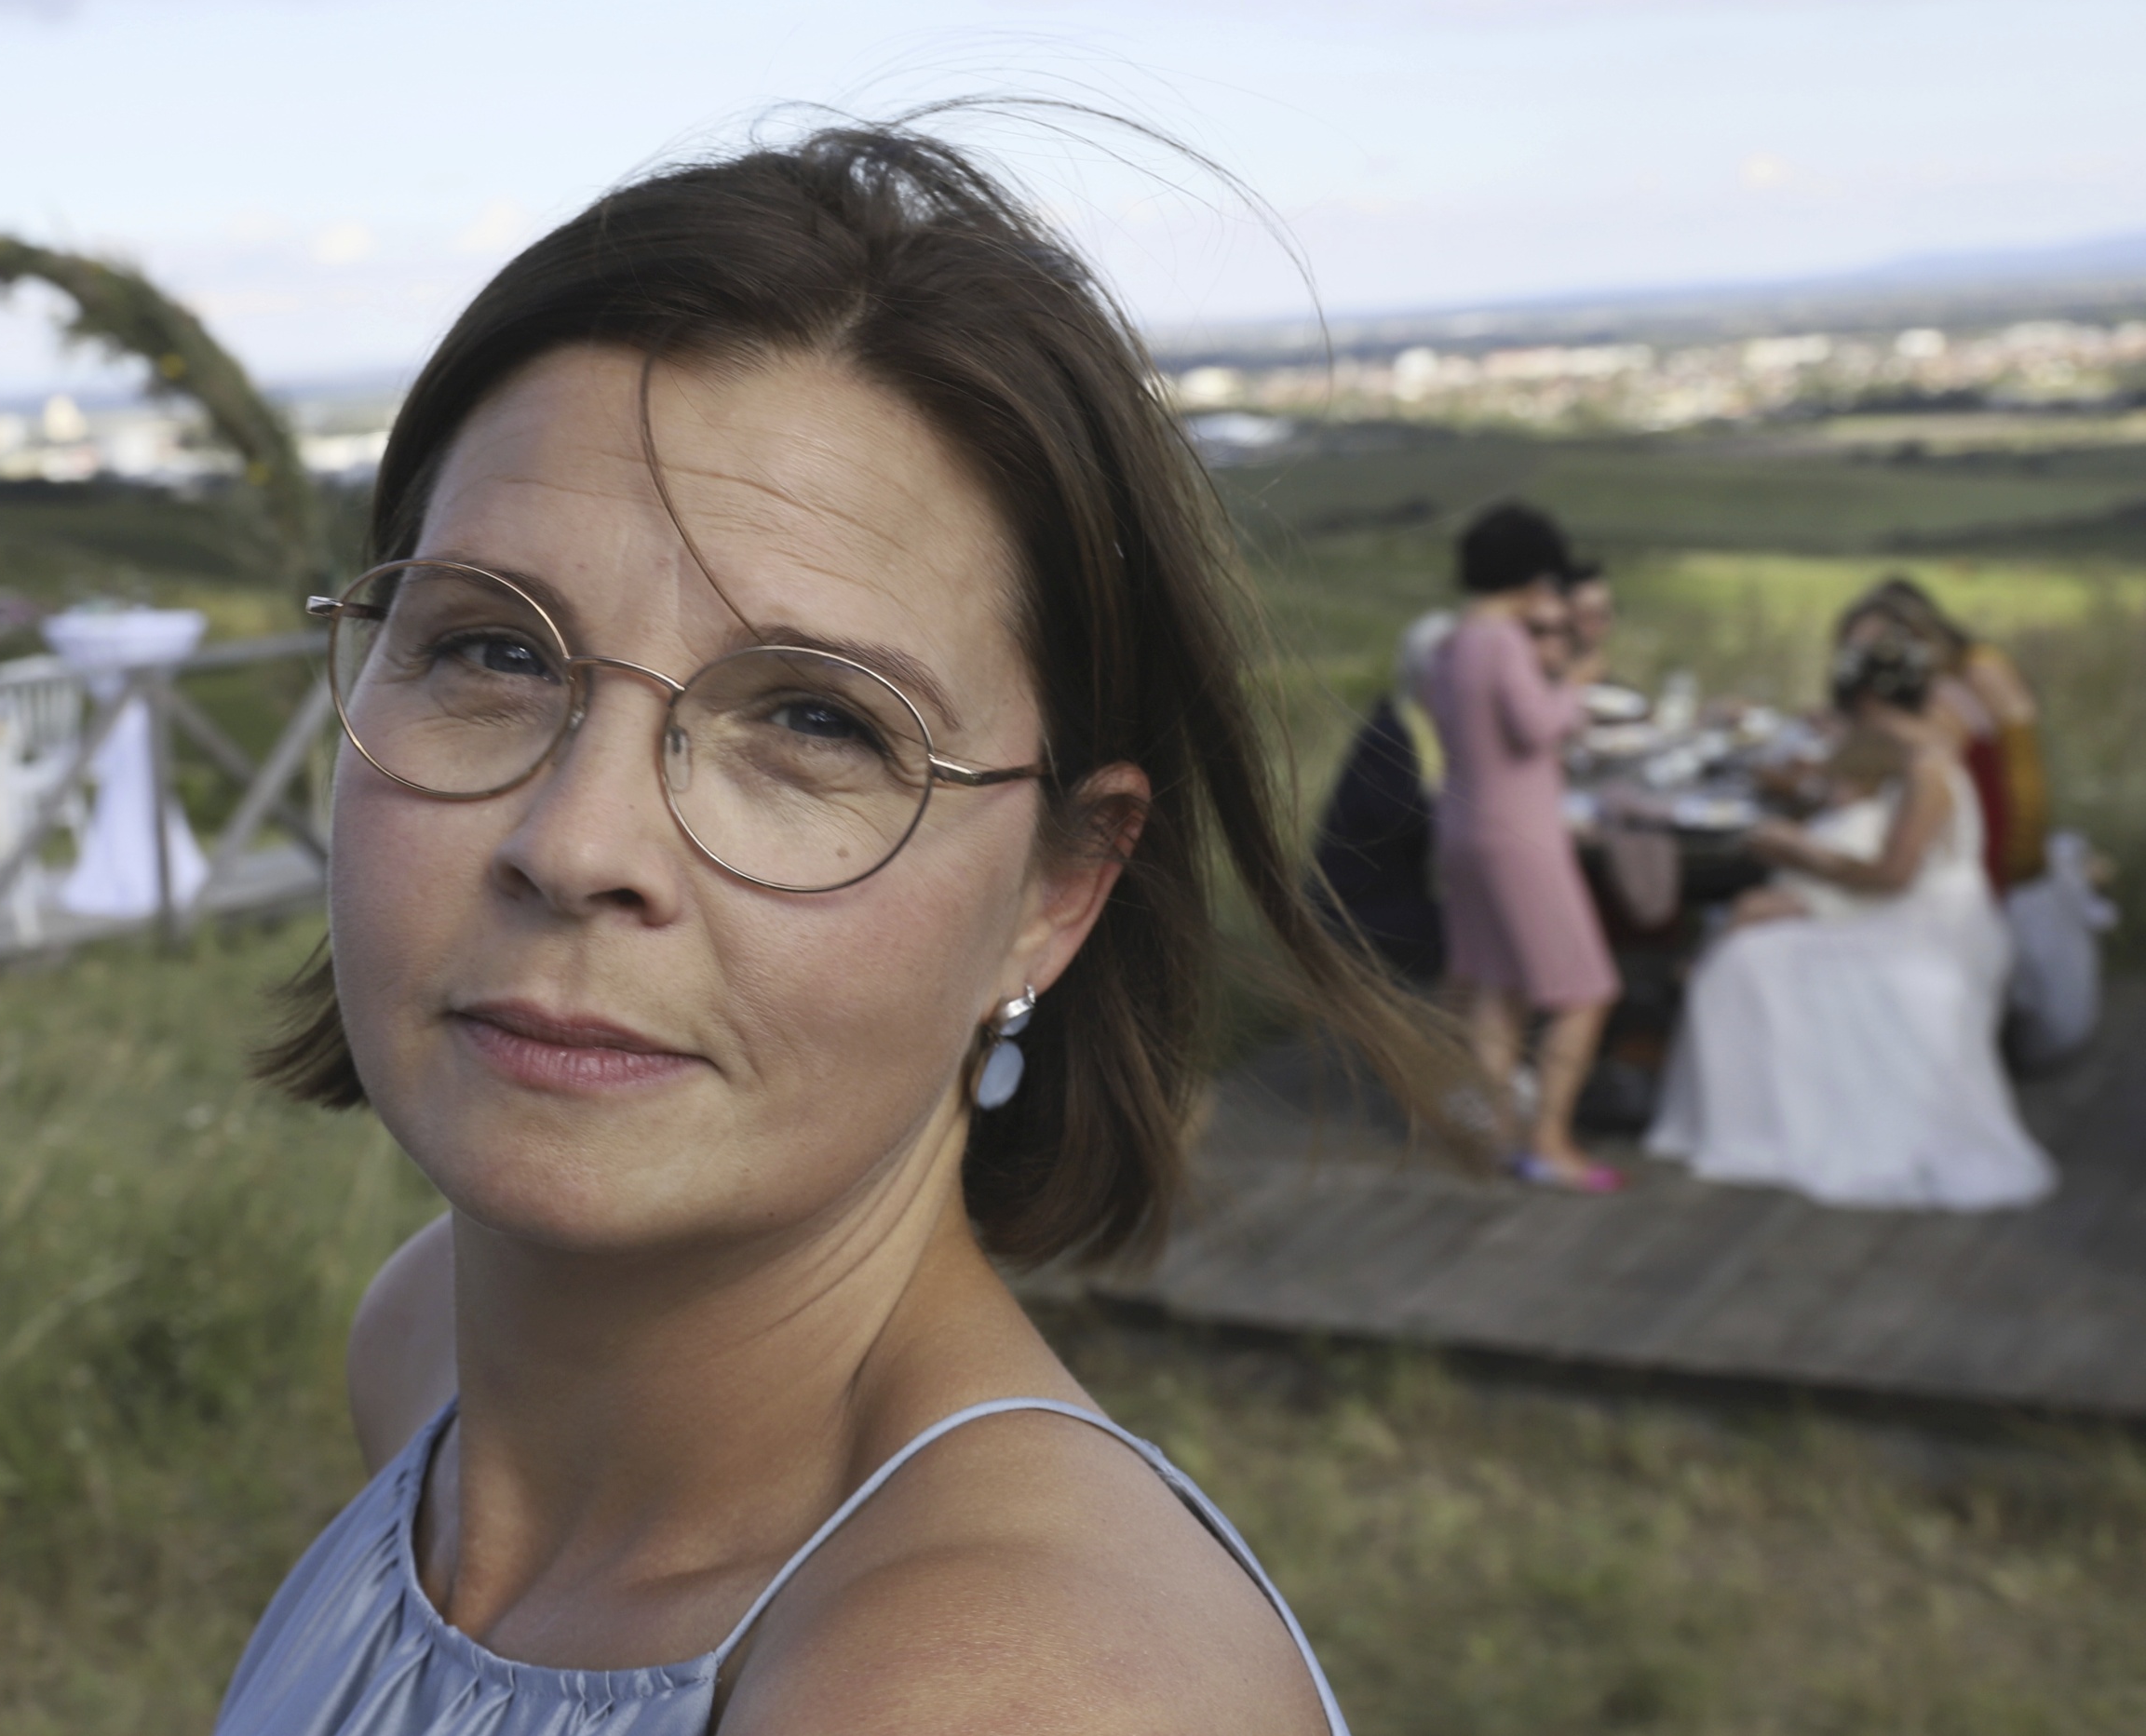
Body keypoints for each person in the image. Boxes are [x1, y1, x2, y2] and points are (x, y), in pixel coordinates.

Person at [211, 126, 1445, 1735]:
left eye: (814, 720)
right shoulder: (427, 1353)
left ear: (1060, 888)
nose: (575, 843)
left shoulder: (1015, 1693)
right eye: (493, 652)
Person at [1645, 637, 2056, 1211]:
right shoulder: (1911, 748)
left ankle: (1774, 1127)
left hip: (1929, 920)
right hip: (1908, 907)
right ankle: (1771, 1118)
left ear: (1864, 702)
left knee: (1748, 961)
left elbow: (1893, 875)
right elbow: (1851, 804)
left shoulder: (1926, 767)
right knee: (1745, 945)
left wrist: (1798, 851)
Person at [1423, 501, 1622, 1192]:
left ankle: (1499, 1135)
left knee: (1496, 986)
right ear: (1534, 571)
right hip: (1518, 834)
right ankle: (1550, 1141)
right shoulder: (1502, 639)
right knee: (1585, 990)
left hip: (1460, 826)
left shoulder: (1448, 642)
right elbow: (1534, 726)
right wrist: (1576, 686)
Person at [1835, 579, 2048, 890]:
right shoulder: (1939, 681)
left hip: (1993, 825)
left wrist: (2022, 849)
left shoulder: (1976, 670)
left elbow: (2020, 766)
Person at [1310, 611, 1453, 982]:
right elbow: (1407, 820)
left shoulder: (1418, 727)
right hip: (1365, 907)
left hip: (1396, 892)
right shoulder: (1391, 738)